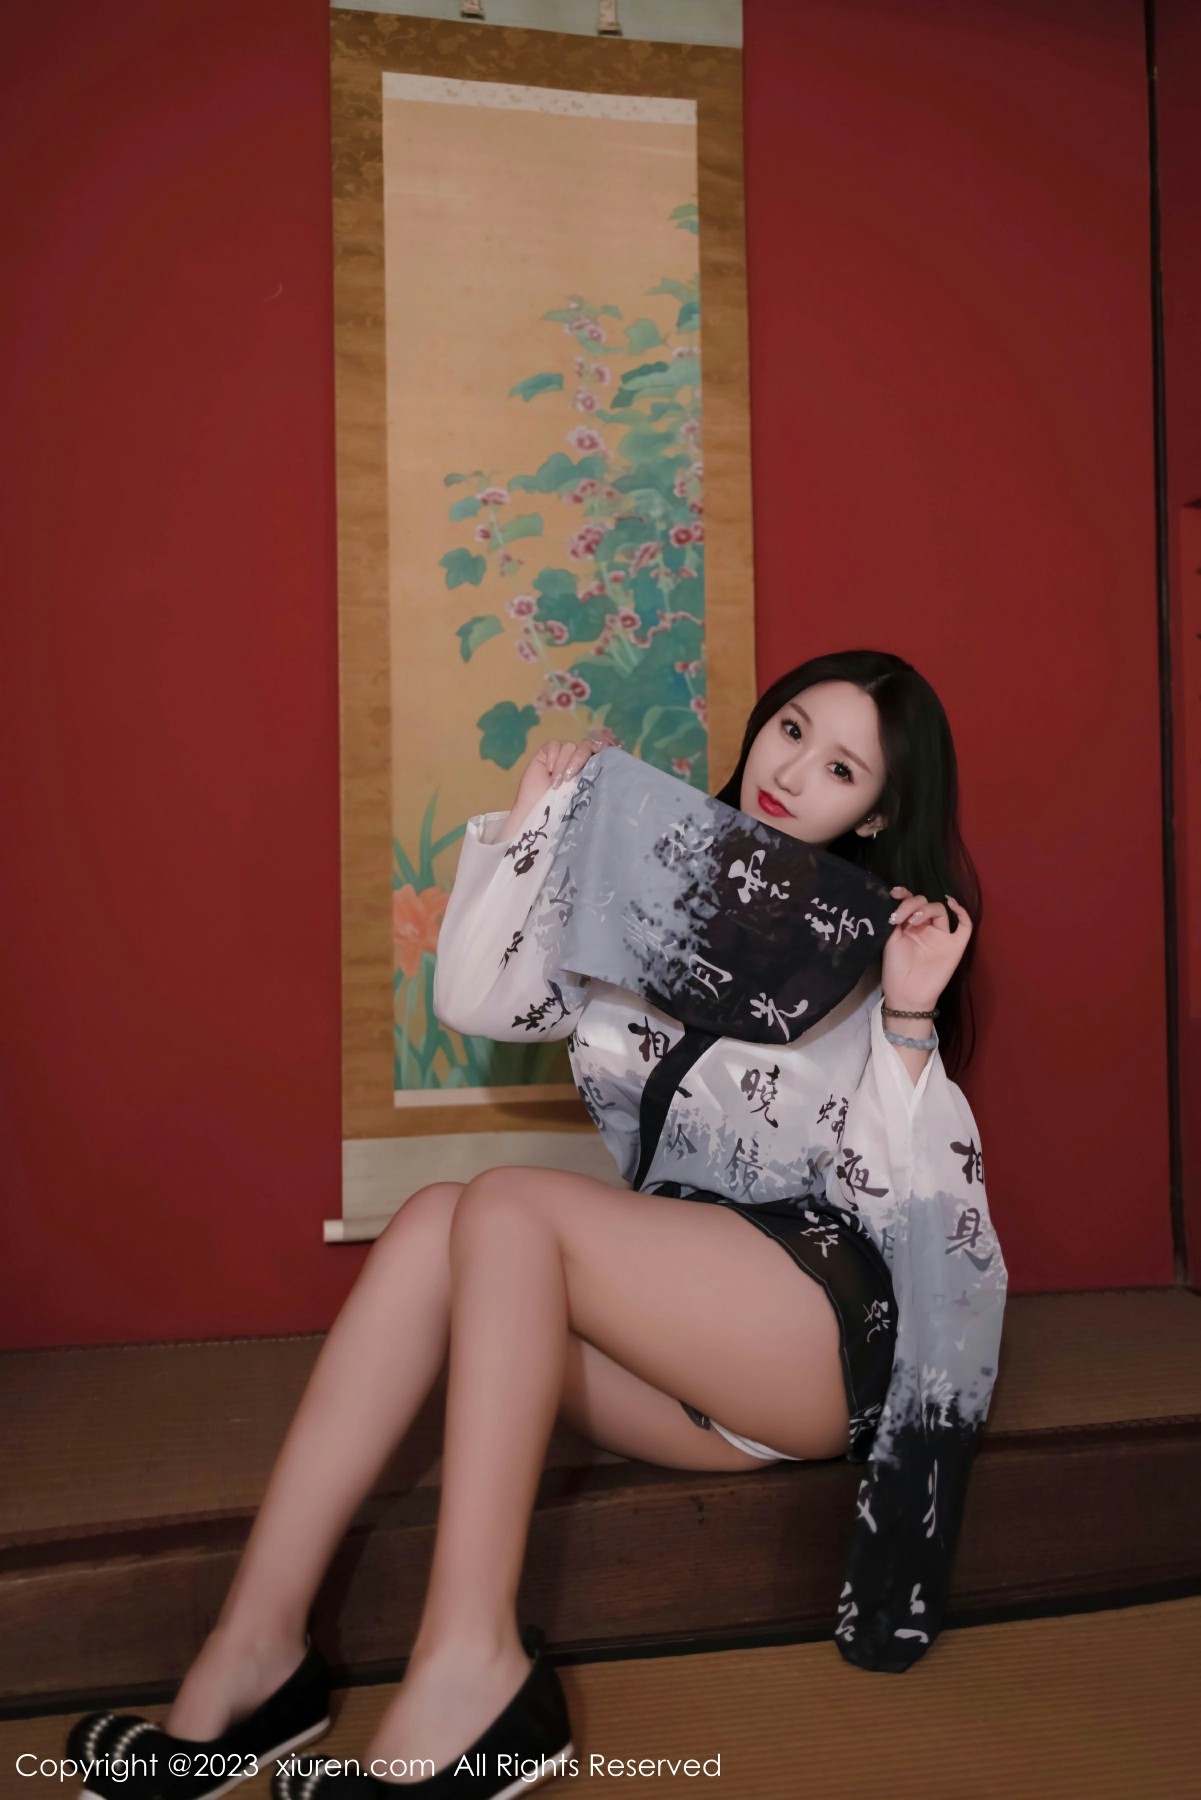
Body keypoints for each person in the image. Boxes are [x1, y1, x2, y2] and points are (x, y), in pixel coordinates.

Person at [67, 648, 1006, 1800]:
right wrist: (536, 824)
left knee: (507, 1202)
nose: (795, 768)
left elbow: (916, 1212)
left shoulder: (879, 946)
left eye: (842, 767)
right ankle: (253, 1656)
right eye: (792, 727)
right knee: (434, 1223)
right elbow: (476, 1000)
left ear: (877, 813)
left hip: (812, 1333)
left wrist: (907, 1016)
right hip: (680, 1349)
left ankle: (471, 1672)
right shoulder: (657, 877)